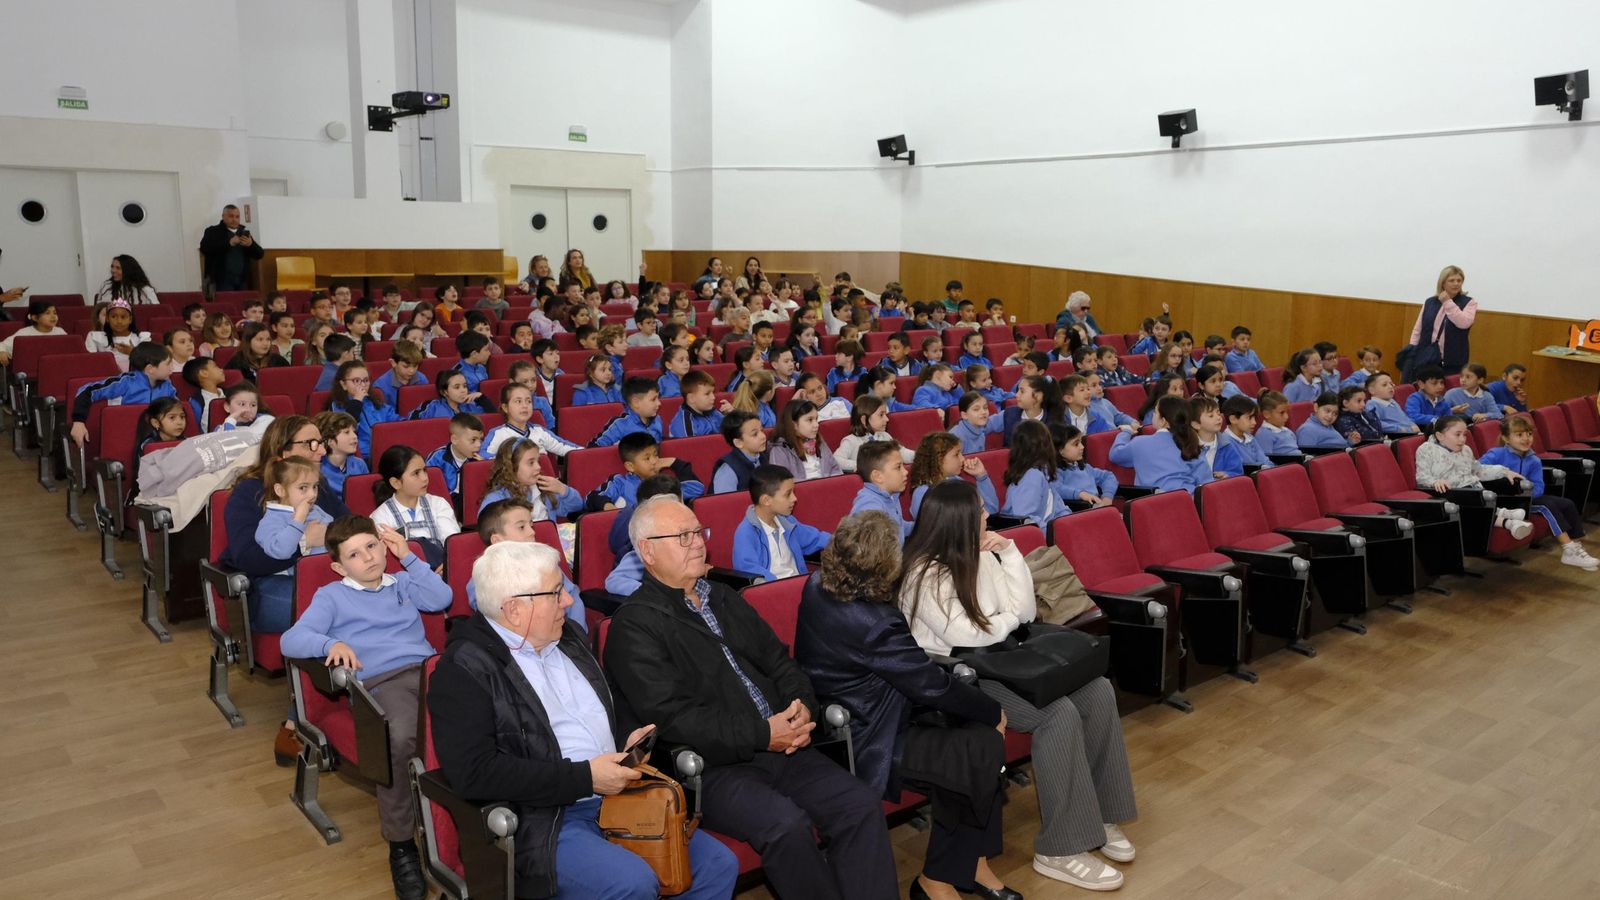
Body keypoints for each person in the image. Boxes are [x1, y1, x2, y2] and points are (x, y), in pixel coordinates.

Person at [603, 496, 897, 900]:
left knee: (860, 806)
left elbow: (780, 661)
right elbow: (675, 719)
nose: (697, 543)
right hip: (713, 768)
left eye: (698, 532)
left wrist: (800, 707)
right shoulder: (633, 626)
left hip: (782, 745)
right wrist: (762, 734)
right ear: (647, 551)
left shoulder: (723, 597)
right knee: (786, 827)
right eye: (682, 536)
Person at [899, 481, 1137, 891]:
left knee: (1097, 691)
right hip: (958, 680)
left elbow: (1024, 610)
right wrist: (1006, 620)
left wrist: (1009, 555)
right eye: (979, 512)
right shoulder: (924, 574)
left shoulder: (986, 552)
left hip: (1003, 661)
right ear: (957, 522)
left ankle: (1099, 813)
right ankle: (1060, 848)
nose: (988, 516)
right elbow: (966, 636)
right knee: (1057, 714)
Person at [795, 511, 1016, 900]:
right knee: (982, 744)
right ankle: (944, 875)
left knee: (972, 750)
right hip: (869, 733)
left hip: (860, 712)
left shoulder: (817, 585)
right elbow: (929, 685)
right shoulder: (872, 622)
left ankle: (965, 865)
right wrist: (991, 711)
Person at [280, 516, 451, 900]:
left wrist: (408, 557)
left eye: (372, 546)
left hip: (429, 671)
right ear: (340, 566)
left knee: (475, 721)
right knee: (403, 738)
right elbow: (292, 640)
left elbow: (441, 599)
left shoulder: (404, 581)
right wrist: (329, 646)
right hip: (381, 682)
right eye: (355, 555)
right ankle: (402, 842)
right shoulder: (332, 595)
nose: (369, 558)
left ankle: (465, 824)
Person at [220, 415, 351, 765]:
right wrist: (303, 545)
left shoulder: (315, 486)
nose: (321, 449)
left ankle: (334, 710)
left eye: (321, 442)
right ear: (281, 454)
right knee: (326, 617)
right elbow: (249, 559)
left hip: (315, 583)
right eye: (311, 443)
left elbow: (349, 527)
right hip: (265, 588)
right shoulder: (249, 492)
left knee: (345, 607)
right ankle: (300, 722)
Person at [1480, 415, 1597, 570]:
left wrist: (1526, 492)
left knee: (1567, 504)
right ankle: (1568, 548)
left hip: (1526, 497)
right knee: (1547, 506)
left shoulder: (1533, 460)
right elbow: (1478, 470)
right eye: (1519, 435)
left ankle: (1576, 546)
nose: (1526, 439)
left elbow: (1539, 487)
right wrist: (1503, 472)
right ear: (1506, 438)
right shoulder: (1496, 454)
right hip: (1504, 499)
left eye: (1529, 434)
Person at [1415, 416, 1534, 541]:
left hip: (1474, 491)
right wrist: (1435, 482)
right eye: (1457, 435)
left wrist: (1504, 471)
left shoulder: (1466, 450)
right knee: (1472, 497)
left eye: (1465, 435)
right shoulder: (1426, 449)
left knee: (1478, 494)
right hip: (1449, 494)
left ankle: (1501, 513)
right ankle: (1508, 522)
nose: (1463, 439)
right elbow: (1421, 477)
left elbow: (1479, 471)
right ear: (1440, 436)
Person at [731, 465, 832, 582]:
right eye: (788, 494)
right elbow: (749, 571)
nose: (794, 498)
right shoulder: (746, 533)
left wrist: (845, 541)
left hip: (800, 587)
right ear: (766, 500)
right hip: (772, 592)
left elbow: (817, 539)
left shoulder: (788, 522)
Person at [369, 444, 461, 568]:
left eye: (424, 470)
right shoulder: (380, 517)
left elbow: (453, 545)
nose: (425, 478)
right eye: (416, 473)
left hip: (443, 571)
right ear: (396, 483)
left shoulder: (438, 504)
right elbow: (389, 561)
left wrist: (447, 566)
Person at [69, 342, 174, 445]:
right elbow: (86, 391)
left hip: (160, 437)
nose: (172, 369)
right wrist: (79, 421)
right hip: (127, 435)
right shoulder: (125, 382)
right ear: (150, 369)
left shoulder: (167, 385)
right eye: (168, 364)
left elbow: (176, 410)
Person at [586, 432, 705, 510]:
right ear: (630, 466)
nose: (654, 461)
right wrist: (608, 507)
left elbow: (696, 488)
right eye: (647, 458)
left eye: (656, 455)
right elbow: (591, 498)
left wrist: (674, 462)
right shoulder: (620, 482)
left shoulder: (664, 482)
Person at [1109, 396, 1203, 493]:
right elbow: (1205, 483)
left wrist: (1126, 432)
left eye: (1155, 412)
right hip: (1189, 502)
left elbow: (1115, 454)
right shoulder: (1191, 443)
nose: (1153, 414)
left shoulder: (1140, 443)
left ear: (1163, 421)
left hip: (1154, 504)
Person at [254, 457, 335, 560]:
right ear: (280, 490)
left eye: (315, 486)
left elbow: (335, 530)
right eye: (303, 487)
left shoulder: (315, 509)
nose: (312, 494)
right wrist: (299, 520)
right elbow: (281, 551)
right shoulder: (271, 520)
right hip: (298, 574)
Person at [479, 440, 584, 520]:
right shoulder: (497, 497)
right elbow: (487, 524)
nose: (538, 467)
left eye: (538, 461)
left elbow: (577, 506)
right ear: (511, 467)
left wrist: (563, 490)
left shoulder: (544, 488)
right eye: (531, 463)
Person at [908, 431, 999, 519]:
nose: (962, 458)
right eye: (956, 454)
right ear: (938, 459)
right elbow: (933, 529)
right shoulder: (923, 493)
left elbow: (991, 510)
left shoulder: (957, 481)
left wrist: (981, 476)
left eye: (961, 453)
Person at [1405, 265, 1477, 373]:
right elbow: (1418, 328)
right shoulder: (1430, 302)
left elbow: (1464, 323)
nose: (1456, 283)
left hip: (1453, 359)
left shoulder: (1469, 302)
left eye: (1459, 280)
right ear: (1443, 283)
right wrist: (1413, 349)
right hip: (1426, 356)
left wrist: (1448, 302)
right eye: (1451, 280)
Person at [999, 419, 1070, 527]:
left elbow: (1059, 507)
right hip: (1032, 537)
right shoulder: (1031, 476)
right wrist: (1054, 534)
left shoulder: (1043, 471)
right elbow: (1027, 520)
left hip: (1048, 533)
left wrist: (1067, 526)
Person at [481, 383, 577, 460]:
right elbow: (483, 456)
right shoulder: (498, 434)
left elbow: (563, 446)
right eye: (518, 401)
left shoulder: (539, 431)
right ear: (505, 407)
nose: (525, 406)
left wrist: (587, 452)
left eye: (528, 401)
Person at [328, 360, 399, 458]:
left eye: (366, 380)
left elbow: (397, 423)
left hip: (386, 453)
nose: (362, 385)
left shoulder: (375, 403)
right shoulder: (337, 407)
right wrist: (357, 401)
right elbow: (345, 427)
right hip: (359, 456)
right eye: (356, 381)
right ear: (343, 384)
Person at [850, 439, 913, 541]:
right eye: (898, 467)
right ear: (878, 476)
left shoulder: (891, 495)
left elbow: (899, 528)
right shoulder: (869, 508)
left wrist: (924, 527)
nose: (905, 472)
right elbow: (873, 552)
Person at [767, 399, 843, 482]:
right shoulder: (779, 450)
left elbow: (835, 469)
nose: (816, 425)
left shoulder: (819, 442)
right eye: (810, 420)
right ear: (794, 424)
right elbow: (780, 483)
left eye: (816, 419)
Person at [836, 395, 911, 473]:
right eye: (881, 415)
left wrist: (919, 456)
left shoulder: (885, 436)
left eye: (886, 414)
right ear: (864, 420)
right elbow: (837, 460)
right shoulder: (851, 441)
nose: (887, 419)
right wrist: (861, 465)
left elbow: (901, 453)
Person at [199, 204, 264, 292]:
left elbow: (260, 254)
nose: (234, 219)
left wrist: (251, 245)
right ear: (223, 216)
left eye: (237, 217)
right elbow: (205, 249)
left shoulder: (243, 232)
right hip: (220, 281)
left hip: (242, 281)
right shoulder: (212, 231)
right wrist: (229, 243)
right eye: (231, 216)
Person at [1052, 423, 1119, 507]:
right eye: (1076, 444)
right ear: (1060, 450)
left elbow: (1108, 476)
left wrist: (1107, 497)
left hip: (1096, 508)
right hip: (1077, 512)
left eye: (1080, 442)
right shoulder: (1054, 471)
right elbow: (1056, 489)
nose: (1082, 447)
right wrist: (1080, 494)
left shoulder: (1085, 468)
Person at [426, 412, 485, 498]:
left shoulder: (478, 459)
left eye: (481, 440)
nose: (479, 445)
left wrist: (483, 469)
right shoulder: (437, 459)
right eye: (473, 440)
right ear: (455, 439)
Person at [711, 410, 770, 494]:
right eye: (755, 434)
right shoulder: (728, 470)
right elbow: (723, 504)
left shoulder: (763, 457)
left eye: (762, 430)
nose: (763, 436)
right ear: (738, 443)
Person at [314, 411, 368, 496]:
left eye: (354, 432)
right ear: (330, 441)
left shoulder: (360, 464)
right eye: (347, 432)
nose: (355, 436)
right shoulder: (318, 470)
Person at [0, 299, 66, 366]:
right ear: (35, 318)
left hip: (54, 366)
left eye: (55, 313)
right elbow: (2, 345)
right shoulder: (24, 333)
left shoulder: (60, 331)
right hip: (28, 369)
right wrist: (2, 352)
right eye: (47, 313)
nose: (53, 316)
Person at [1218, 395, 1274, 470]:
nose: (1254, 422)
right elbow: (1239, 468)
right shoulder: (1226, 442)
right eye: (1249, 418)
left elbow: (1265, 460)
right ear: (1233, 419)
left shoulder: (1250, 438)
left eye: (1254, 418)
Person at [667, 370, 726, 439]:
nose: (713, 397)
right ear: (691, 398)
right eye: (707, 394)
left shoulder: (713, 412)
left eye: (713, 392)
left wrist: (731, 414)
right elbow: (692, 447)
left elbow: (732, 431)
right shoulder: (684, 421)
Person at [1254, 390, 1303, 457]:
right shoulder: (1264, 434)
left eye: (1287, 412)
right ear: (1266, 414)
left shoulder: (1287, 430)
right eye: (1282, 413)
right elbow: (1267, 461)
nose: (1286, 417)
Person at [95, 254, 159, 305]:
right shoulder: (106, 286)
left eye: (118, 268)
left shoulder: (145, 290)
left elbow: (156, 311)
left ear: (129, 271)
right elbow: (98, 311)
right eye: (112, 267)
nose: (113, 270)